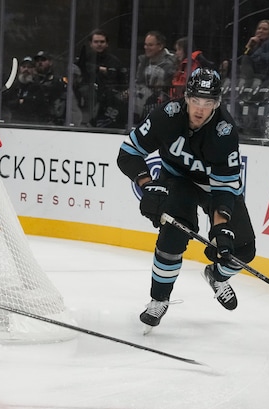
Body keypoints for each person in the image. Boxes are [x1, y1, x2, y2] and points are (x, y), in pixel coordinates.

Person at [116, 68, 256, 330]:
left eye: (208, 103)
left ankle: (216, 276)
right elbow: (128, 154)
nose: (200, 110)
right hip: (178, 180)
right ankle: (159, 300)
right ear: (186, 97)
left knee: (243, 249)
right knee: (173, 235)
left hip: (215, 188)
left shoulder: (224, 132)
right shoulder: (166, 116)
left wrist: (220, 227)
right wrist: (147, 184)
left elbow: (225, 187)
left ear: (217, 103)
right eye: (195, 101)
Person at [77, 28, 128, 128]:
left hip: (110, 105)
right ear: (90, 44)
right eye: (96, 42)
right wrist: (100, 69)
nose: (99, 44)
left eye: (102, 42)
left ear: (107, 44)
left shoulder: (114, 61)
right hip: (86, 105)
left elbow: (123, 83)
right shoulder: (83, 60)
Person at [134, 31, 177, 121]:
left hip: (161, 107)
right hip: (141, 104)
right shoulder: (143, 61)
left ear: (160, 46)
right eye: (145, 45)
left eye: (150, 45)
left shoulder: (171, 64)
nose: (146, 48)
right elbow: (138, 83)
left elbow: (162, 89)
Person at [34, 50, 83, 126]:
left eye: (43, 60)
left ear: (50, 62)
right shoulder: (31, 81)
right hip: (33, 121)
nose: (40, 63)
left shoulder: (58, 82)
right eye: (37, 61)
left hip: (53, 123)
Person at [8, 56, 47, 123]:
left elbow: (36, 106)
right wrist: (20, 102)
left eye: (29, 67)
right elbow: (7, 103)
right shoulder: (13, 86)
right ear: (20, 68)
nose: (26, 69)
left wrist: (21, 102)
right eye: (24, 67)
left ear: (33, 69)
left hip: (31, 123)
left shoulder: (38, 87)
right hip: (14, 122)